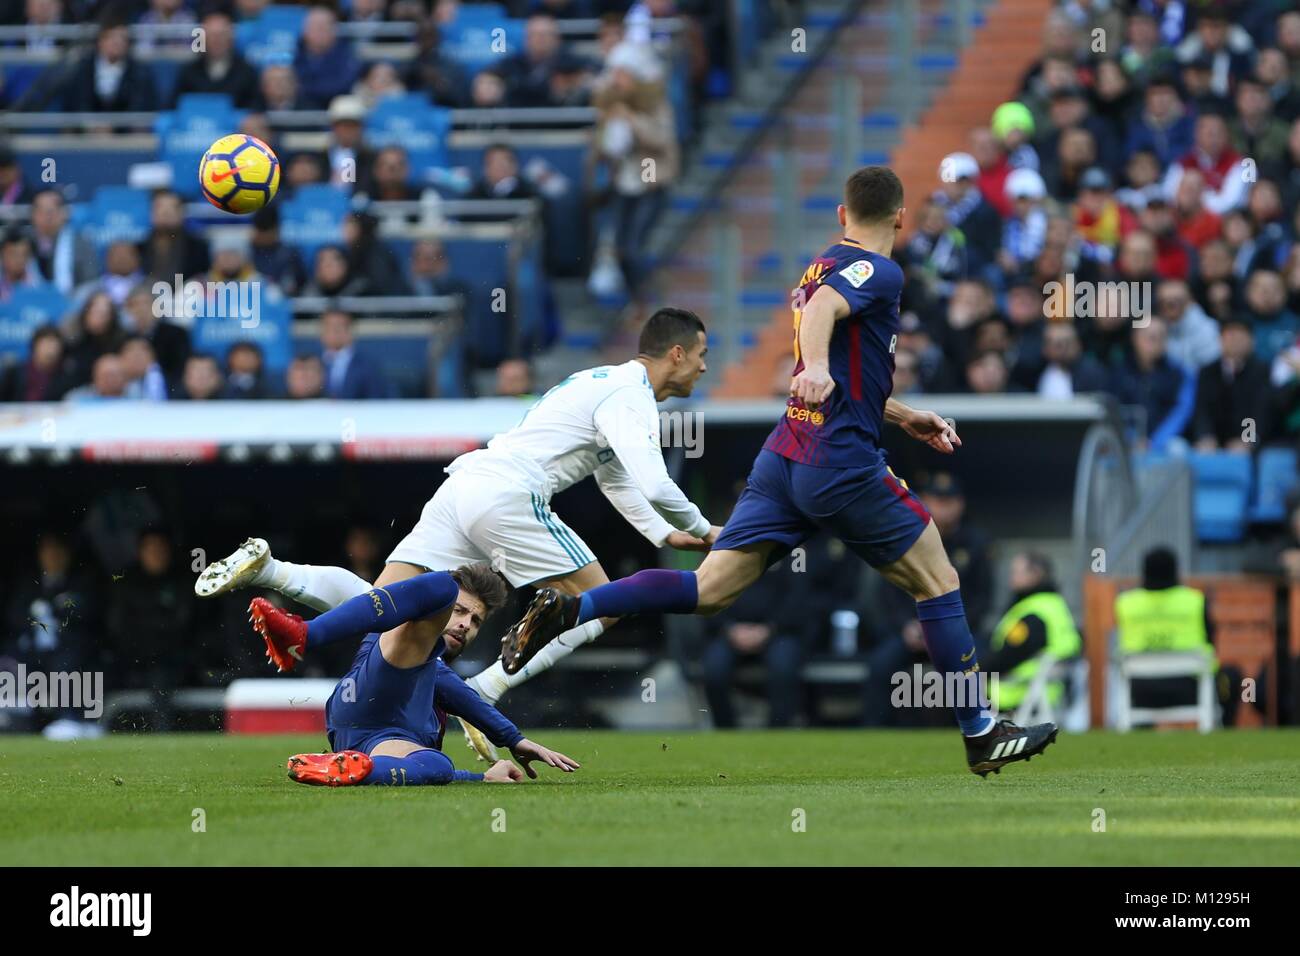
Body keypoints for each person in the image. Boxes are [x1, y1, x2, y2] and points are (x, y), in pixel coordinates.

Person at [503, 166, 1060, 777]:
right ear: (900, 217)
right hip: (842, 464)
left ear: (842, 216)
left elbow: (840, 350)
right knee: (939, 581)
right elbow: (823, 318)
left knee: (708, 591)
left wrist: (898, 414)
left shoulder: (820, 263)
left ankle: (570, 609)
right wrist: (816, 367)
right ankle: (980, 731)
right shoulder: (883, 270)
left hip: (784, 457)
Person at [193, 308, 718, 754]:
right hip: (509, 494)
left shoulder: (601, 380)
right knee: (605, 604)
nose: (702, 367)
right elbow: (652, 480)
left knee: (385, 606)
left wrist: (663, 534)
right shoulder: (633, 397)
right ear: (676, 354)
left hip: (466, 482)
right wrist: (701, 527)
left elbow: (615, 476)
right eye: (700, 355)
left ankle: (275, 571)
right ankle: (486, 689)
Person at [245, 563, 579, 786]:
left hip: (377, 743)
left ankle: (343, 768)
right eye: (460, 612)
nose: (465, 624)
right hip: (373, 696)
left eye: (475, 621)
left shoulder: (430, 665)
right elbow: (465, 699)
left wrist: (482, 778)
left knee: (440, 766)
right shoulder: (411, 639)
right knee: (441, 588)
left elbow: (460, 697)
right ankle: (304, 635)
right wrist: (514, 739)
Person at [1115, 547, 1238, 726]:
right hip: (1190, 688)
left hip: (1141, 690)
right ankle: (1224, 729)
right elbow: (1212, 642)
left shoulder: (1125, 603)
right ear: (1176, 570)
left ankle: (1141, 733)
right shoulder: (1195, 600)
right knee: (1231, 677)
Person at [984, 552, 1081, 715]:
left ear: (1036, 574)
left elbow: (1010, 654)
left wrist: (976, 671)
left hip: (1018, 692)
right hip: (1050, 690)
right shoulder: (1054, 604)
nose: (1011, 578)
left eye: (1017, 572)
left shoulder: (1033, 613)